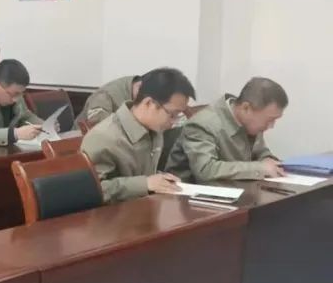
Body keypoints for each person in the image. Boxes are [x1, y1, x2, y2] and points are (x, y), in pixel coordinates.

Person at [81, 67, 195, 203]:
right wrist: (145, 184)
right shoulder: (103, 137)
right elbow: (91, 191)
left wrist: (161, 180)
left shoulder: (155, 131)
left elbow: (142, 175)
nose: (174, 121)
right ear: (149, 103)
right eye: (172, 114)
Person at [167, 77, 287, 182]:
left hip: (235, 190)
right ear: (246, 108)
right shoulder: (204, 123)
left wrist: (267, 159)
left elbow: (260, 152)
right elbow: (205, 169)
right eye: (269, 120)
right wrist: (259, 168)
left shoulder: (250, 124)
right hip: (188, 195)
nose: (271, 126)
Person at [77, 74, 142, 127]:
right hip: (79, 136)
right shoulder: (105, 95)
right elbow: (97, 122)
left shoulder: (133, 89)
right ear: (140, 86)